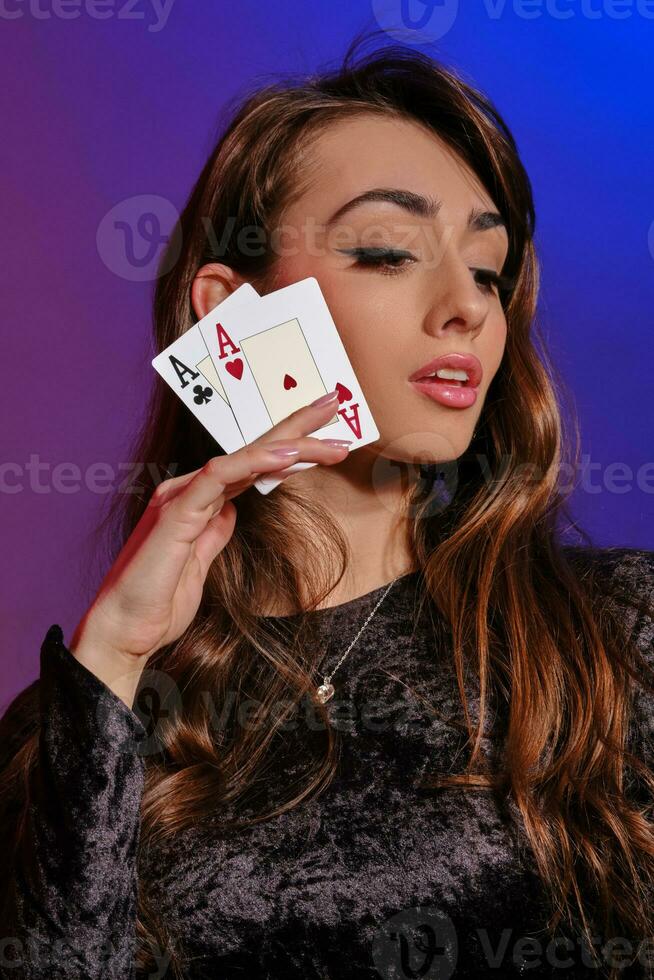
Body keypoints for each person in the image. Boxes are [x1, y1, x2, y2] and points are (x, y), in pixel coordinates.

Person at [1, 33, 653, 980]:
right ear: (231, 312)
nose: (467, 308)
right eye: (387, 253)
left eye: (487, 269)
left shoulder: (618, 633)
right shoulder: (78, 721)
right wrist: (113, 662)